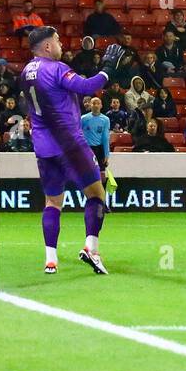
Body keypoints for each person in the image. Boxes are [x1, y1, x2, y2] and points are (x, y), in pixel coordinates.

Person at [19, 27, 123, 275]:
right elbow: (87, 87)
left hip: (43, 147)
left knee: (52, 202)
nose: (61, 44)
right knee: (97, 195)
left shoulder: (25, 72)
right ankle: (91, 247)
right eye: (57, 40)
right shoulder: (56, 68)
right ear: (46, 47)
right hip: (70, 144)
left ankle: (51, 260)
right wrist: (108, 69)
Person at [80, 96, 112, 179]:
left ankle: (102, 191)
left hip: (99, 149)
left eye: (98, 103)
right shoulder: (83, 118)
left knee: (102, 175)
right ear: (90, 105)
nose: (96, 105)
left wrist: (106, 154)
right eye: (94, 103)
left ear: (101, 105)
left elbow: (105, 138)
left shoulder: (105, 119)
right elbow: (78, 134)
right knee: (86, 174)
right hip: (87, 149)